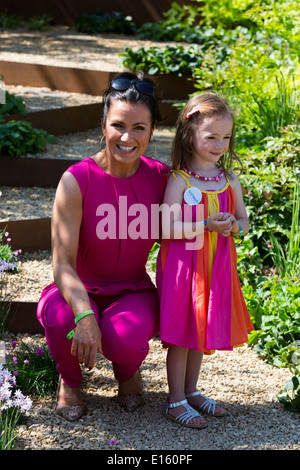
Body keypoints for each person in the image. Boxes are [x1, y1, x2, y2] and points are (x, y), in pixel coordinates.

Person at [36, 71, 169, 421]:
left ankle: (127, 372)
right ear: (103, 125)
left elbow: (190, 225)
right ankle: (70, 380)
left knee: (123, 335)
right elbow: (62, 264)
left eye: (139, 127)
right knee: (63, 317)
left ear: (152, 130)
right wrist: (84, 313)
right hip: (77, 288)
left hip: (133, 290)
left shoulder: (161, 178)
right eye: (118, 125)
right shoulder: (76, 180)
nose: (127, 137)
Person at [156, 92, 254, 429]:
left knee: (200, 330)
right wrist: (204, 225)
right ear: (189, 134)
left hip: (215, 268)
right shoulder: (179, 181)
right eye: (211, 136)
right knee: (184, 333)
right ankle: (175, 400)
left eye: (226, 137)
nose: (220, 144)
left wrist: (232, 227)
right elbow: (164, 227)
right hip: (184, 270)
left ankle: (191, 391)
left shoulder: (228, 180)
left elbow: (243, 221)